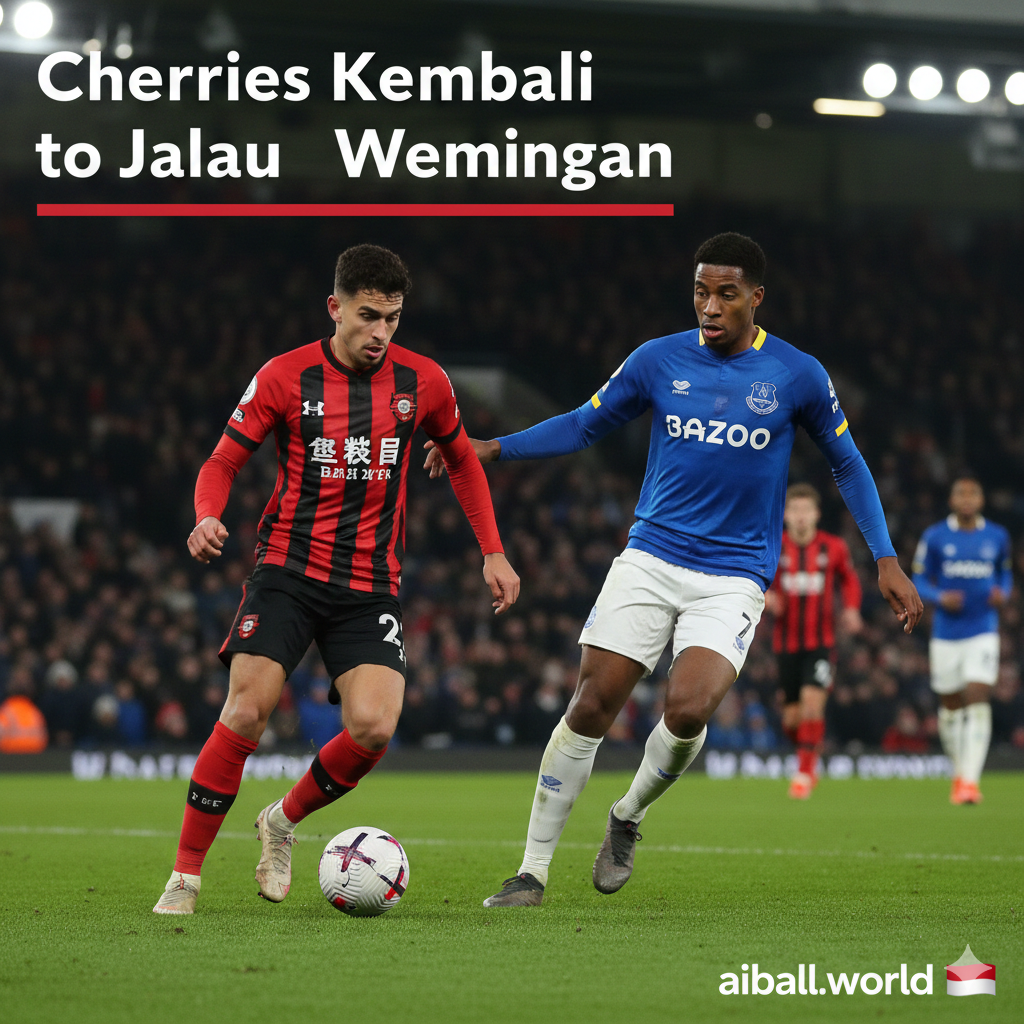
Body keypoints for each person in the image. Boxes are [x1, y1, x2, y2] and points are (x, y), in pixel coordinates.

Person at [426, 231, 921, 906]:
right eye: (700, 291)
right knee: (590, 706)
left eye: (725, 293)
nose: (709, 306)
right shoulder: (657, 361)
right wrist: (494, 448)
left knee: (688, 708)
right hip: (651, 558)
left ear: (755, 297)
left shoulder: (797, 375)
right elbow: (583, 424)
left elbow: (849, 464)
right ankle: (531, 872)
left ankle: (627, 816)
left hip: (734, 575)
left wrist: (885, 559)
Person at [154, 244, 519, 914]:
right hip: (288, 571)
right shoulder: (284, 377)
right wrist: (207, 515)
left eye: (393, 318)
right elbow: (221, 461)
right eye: (368, 315)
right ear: (336, 308)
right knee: (245, 711)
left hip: (369, 585)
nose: (381, 332)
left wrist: (493, 551)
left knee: (376, 726)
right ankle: (184, 877)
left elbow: (462, 461)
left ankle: (281, 823)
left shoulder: (425, 382)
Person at [912, 476, 1012, 805]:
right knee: (951, 707)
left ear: (981, 499)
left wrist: (1004, 593)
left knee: (978, 696)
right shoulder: (936, 536)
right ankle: (960, 773)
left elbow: (1005, 574)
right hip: (946, 634)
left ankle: (970, 781)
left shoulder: (997, 536)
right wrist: (940, 598)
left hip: (983, 629)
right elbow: (919, 579)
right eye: (961, 493)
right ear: (952, 500)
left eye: (973, 493)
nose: (967, 499)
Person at [766, 482, 862, 799]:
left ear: (817, 514)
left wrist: (850, 609)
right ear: (786, 515)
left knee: (811, 704)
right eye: (795, 510)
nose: (801, 516)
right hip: (785, 644)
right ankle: (808, 756)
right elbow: (756, 580)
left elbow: (849, 580)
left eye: (806, 510)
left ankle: (804, 774)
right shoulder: (775, 548)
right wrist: (766, 596)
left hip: (822, 643)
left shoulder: (833, 547)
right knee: (792, 719)